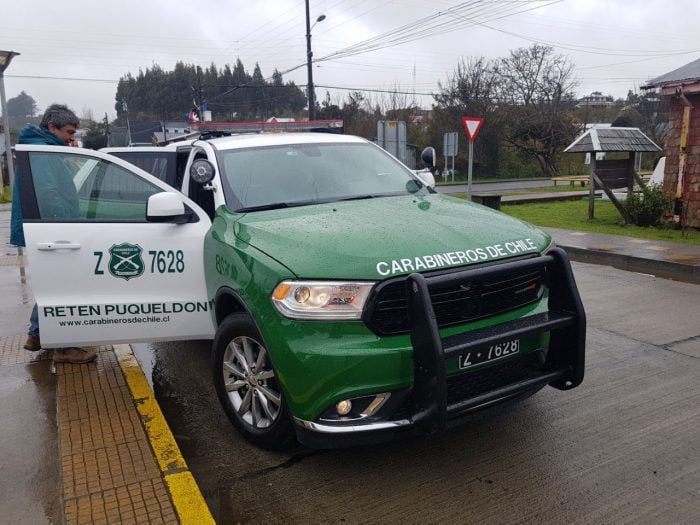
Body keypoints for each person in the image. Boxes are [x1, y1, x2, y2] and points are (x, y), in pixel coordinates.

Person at [10, 104, 97, 364]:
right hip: (54, 230)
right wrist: (65, 226)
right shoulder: (42, 152)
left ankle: (37, 334)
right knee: (63, 288)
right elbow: (47, 194)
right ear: (51, 127)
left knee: (54, 284)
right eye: (68, 132)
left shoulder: (42, 147)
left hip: (47, 228)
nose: (71, 138)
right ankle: (65, 347)